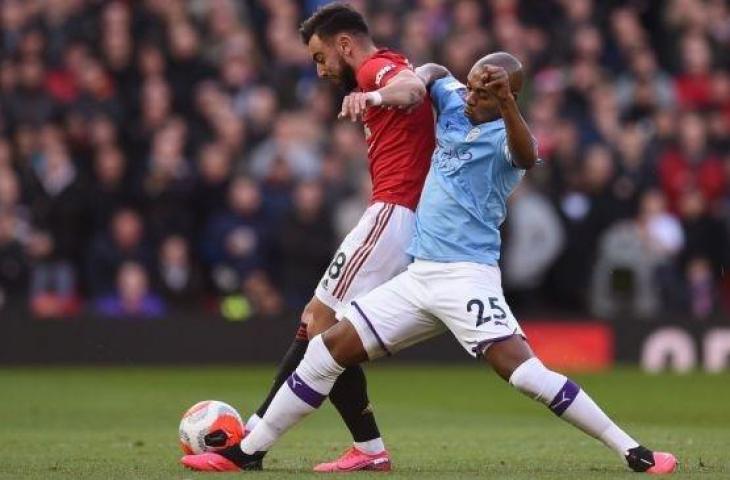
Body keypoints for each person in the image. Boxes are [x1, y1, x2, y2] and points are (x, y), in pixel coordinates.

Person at [181, 52, 678, 475]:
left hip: (468, 279)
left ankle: (632, 449)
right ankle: (250, 451)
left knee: (525, 375)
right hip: (419, 276)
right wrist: (405, 85)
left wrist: (503, 102)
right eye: (473, 84)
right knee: (325, 348)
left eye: (483, 93)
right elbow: (437, 72)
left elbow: (527, 156)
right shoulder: (457, 100)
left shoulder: (508, 137)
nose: (469, 97)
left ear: (506, 98)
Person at [238, 3, 435, 472]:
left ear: (344, 45)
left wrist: (375, 98)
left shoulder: (373, 70)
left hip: (392, 214)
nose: (320, 69)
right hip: (396, 215)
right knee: (328, 331)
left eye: (320, 57)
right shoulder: (391, 62)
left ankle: (250, 440)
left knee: (317, 319)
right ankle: (368, 451)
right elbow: (419, 77)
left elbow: (407, 91)